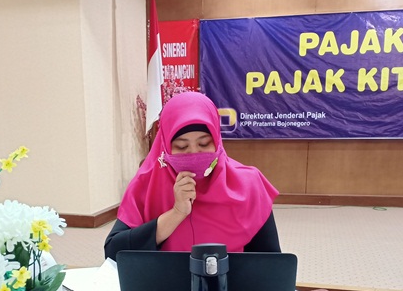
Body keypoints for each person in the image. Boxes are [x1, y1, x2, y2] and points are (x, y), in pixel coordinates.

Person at [104, 91, 280, 260]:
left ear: (217, 141)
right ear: (165, 146)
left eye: (204, 144)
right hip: (164, 279)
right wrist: (176, 214)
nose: (194, 153)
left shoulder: (249, 184)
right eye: (182, 146)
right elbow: (113, 252)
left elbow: (271, 263)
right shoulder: (147, 183)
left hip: (230, 279)